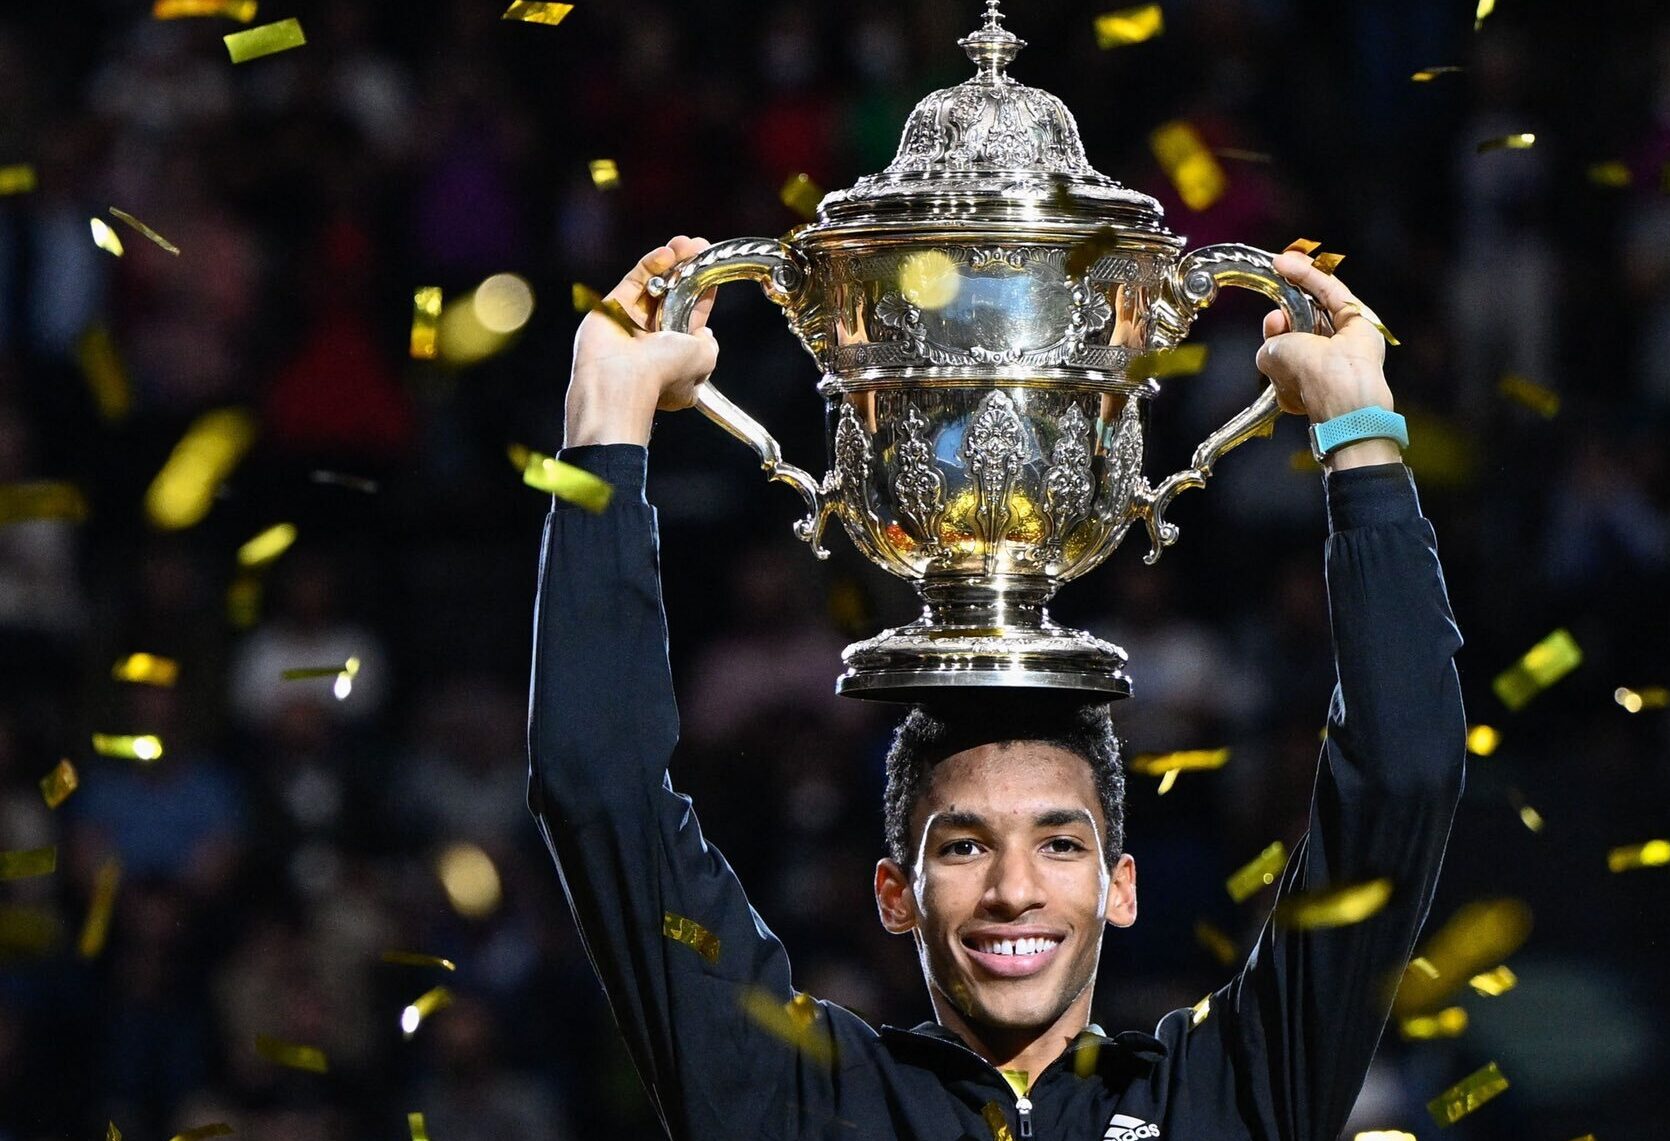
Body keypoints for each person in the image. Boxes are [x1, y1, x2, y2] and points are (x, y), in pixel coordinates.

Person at [528, 235, 1467, 1140]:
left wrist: (1360, 432)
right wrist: (606, 423)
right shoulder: (801, 1099)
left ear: (1120, 885)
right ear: (896, 893)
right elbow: (596, 786)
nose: (1014, 890)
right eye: (965, 844)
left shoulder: (1228, 1093)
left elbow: (1404, 776)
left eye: (1060, 842)